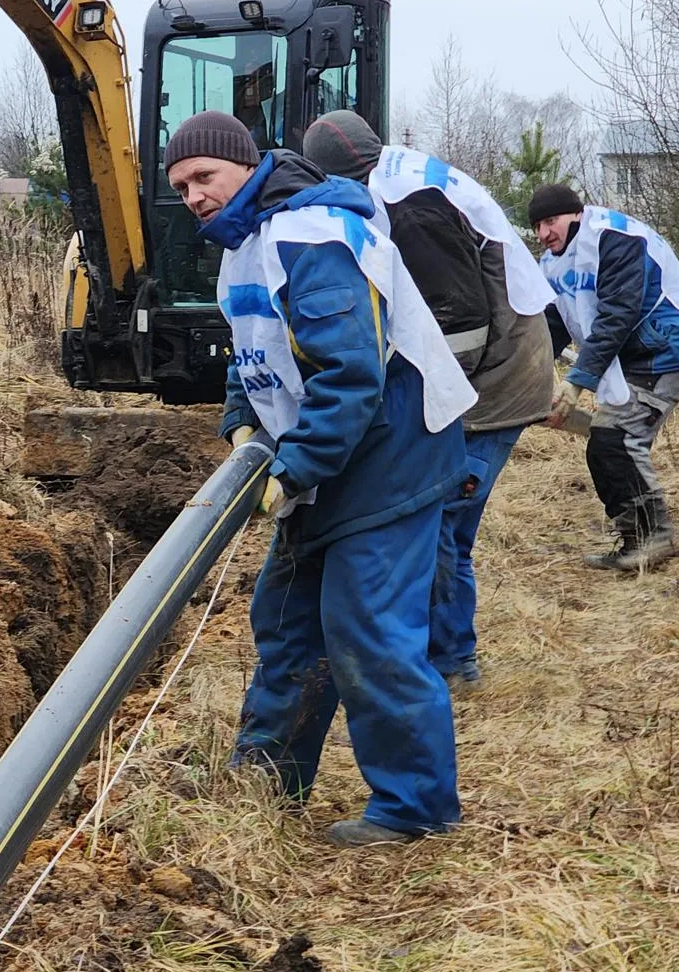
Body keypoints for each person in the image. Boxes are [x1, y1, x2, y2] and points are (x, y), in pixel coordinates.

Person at [164, 110, 476, 847]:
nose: (195, 196)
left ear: (245, 166)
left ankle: (415, 810)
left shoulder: (313, 235)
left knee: (366, 629)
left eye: (204, 177)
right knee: (286, 619)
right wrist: (242, 423)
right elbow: (256, 353)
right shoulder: (245, 245)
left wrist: (293, 467)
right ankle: (269, 781)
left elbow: (352, 375)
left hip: (393, 448)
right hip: (337, 453)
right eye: (181, 186)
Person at [302, 111, 554, 693]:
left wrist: (424, 403)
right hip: (487, 367)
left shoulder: (410, 204)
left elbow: (459, 323)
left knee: (440, 519)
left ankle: (449, 665)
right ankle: (438, 660)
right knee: (436, 518)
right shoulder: (397, 177)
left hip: (492, 381)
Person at [525, 183, 679, 570]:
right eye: (537, 226)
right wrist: (531, 378)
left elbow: (618, 315)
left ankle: (656, 538)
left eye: (551, 221)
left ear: (576, 215)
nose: (543, 233)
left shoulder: (614, 239)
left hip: (672, 346)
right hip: (639, 352)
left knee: (616, 439)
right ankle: (638, 539)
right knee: (607, 440)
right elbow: (553, 323)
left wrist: (577, 381)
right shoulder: (553, 262)